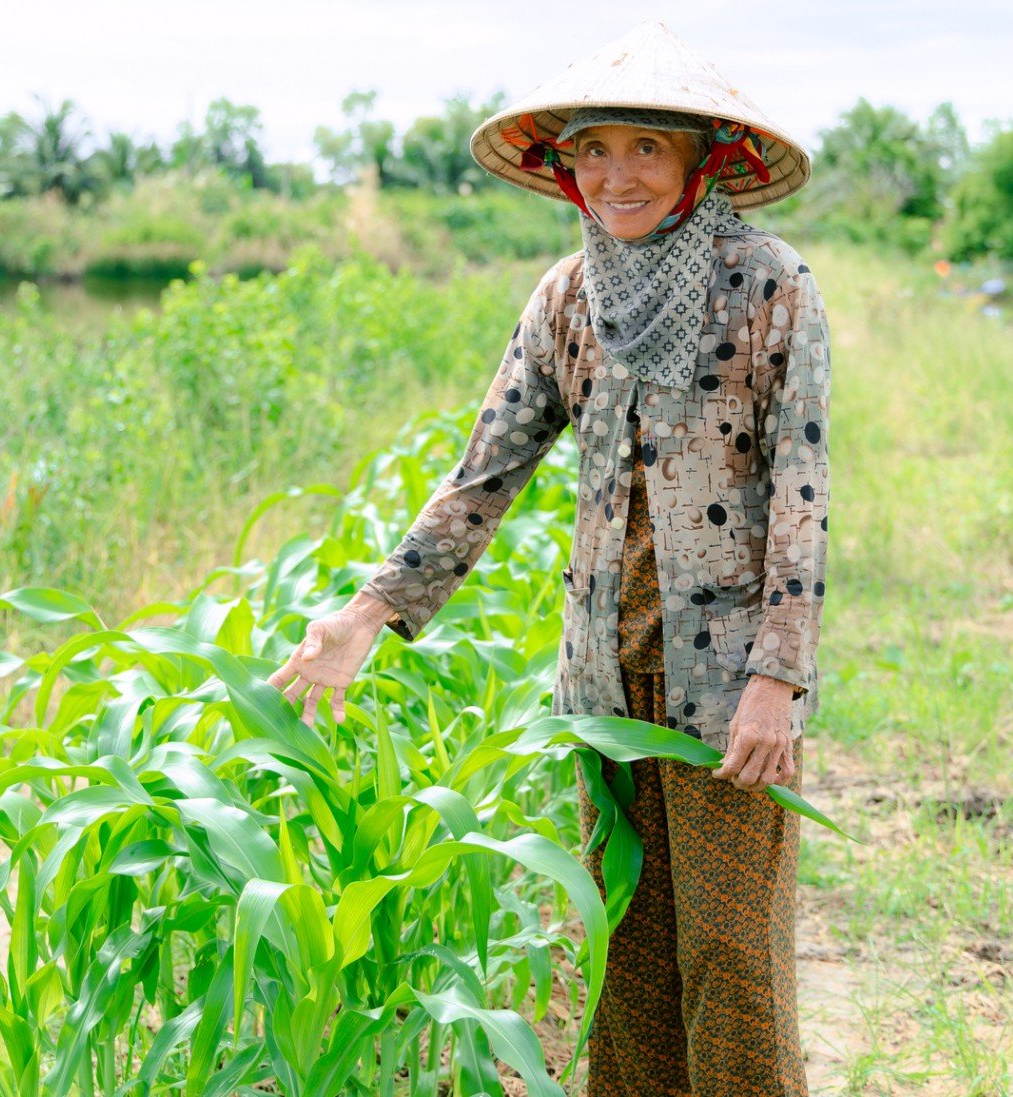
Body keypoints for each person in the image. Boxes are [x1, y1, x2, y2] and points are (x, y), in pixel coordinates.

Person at [267, 20, 829, 1097]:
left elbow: (802, 494)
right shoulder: (567, 295)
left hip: (728, 681)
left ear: (702, 158)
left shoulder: (770, 286)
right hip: (605, 675)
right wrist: (369, 608)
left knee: (728, 955)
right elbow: (487, 471)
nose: (615, 175)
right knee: (625, 947)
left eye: (644, 148)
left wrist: (777, 676)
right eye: (591, 149)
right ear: (564, 167)